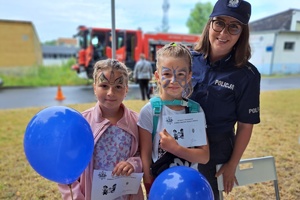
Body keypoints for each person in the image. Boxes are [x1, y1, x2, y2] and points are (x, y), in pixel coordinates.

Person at [190, 0, 261, 199]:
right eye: (219, 23)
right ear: (210, 24)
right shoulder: (187, 59)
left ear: (242, 33)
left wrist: (232, 164)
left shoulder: (247, 75)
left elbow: (245, 125)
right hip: (178, 145)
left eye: (234, 27)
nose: (223, 33)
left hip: (216, 153)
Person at [58, 59, 144, 200]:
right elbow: (66, 164)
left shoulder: (137, 121)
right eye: (104, 86)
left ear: (126, 89)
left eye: (118, 86)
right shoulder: (82, 123)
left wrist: (133, 164)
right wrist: (74, 196)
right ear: (94, 87)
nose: (111, 93)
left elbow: (143, 155)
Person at [138, 42, 210, 196]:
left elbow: (204, 157)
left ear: (189, 76)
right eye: (167, 74)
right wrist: (148, 182)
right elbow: (145, 155)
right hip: (162, 188)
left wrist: (175, 149)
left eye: (181, 74)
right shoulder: (149, 111)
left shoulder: (195, 110)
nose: (173, 80)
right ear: (157, 76)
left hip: (191, 188)